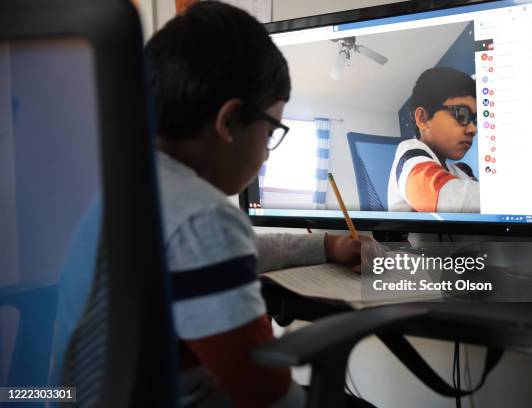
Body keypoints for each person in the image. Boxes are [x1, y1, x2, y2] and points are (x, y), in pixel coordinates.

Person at [146, 2, 372, 407]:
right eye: (271, 132)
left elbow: (245, 247)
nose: (267, 154)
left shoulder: (130, 189)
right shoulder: (204, 220)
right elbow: (268, 398)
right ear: (229, 121)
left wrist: (327, 246)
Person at [387, 67, 480, 213]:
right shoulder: (410, 156)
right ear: (422, 118)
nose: (473, 129)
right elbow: (448, 200)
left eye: (475, 120)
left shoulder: (461, 171)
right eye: (461, 115)